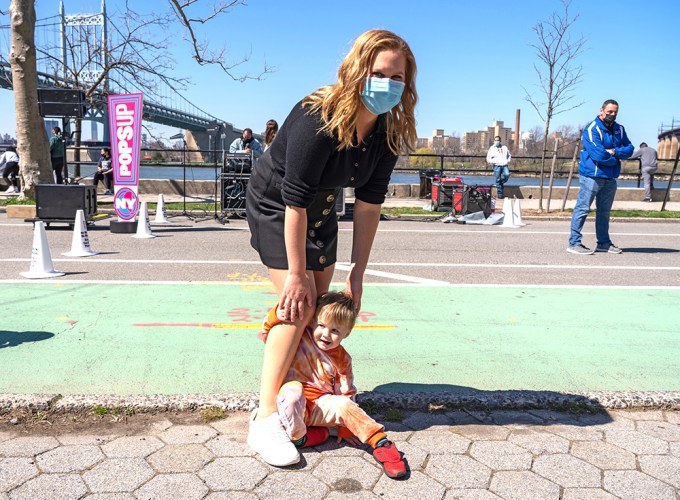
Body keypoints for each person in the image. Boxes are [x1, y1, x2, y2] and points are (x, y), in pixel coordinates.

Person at [244, 29, 417, 467]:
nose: (388, 85)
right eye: (380, 73)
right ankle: (265, 417)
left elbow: (368, 207)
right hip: (277, 203)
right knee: (296, 303)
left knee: (320, 306)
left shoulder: (388, 133)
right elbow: (293, 200)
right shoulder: (316, 115)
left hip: (322, 206)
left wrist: (357, 273)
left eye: (398, 77)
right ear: (358, 71)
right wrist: (297, 272)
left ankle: (301, 391)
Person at [259, 291, 407, 479]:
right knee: (292, 392)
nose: (326, 334)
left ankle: (381, 444)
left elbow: (347, 394)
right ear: (313, 322)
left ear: (347, 333)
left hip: (321, 406)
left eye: (335, 330)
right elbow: (267, 332)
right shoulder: (300, 337)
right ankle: (302, 438)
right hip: (293, 407)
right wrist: (275, 315)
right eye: (321, 325)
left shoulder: (342, 359)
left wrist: (346, 426)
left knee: (344, 404)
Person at [567, 99, 633, 255]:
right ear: (601, 110)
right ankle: (574, 243)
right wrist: (615, 159)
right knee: (582, 209)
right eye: (609, 112)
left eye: (615, 112)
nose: (612, 115)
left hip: (610, 178)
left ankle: (603, 243)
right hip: (592, 176)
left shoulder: (620, 129)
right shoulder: (592, 129)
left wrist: (615, 152)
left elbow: (629, 149)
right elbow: (598, 154)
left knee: (604, 212)